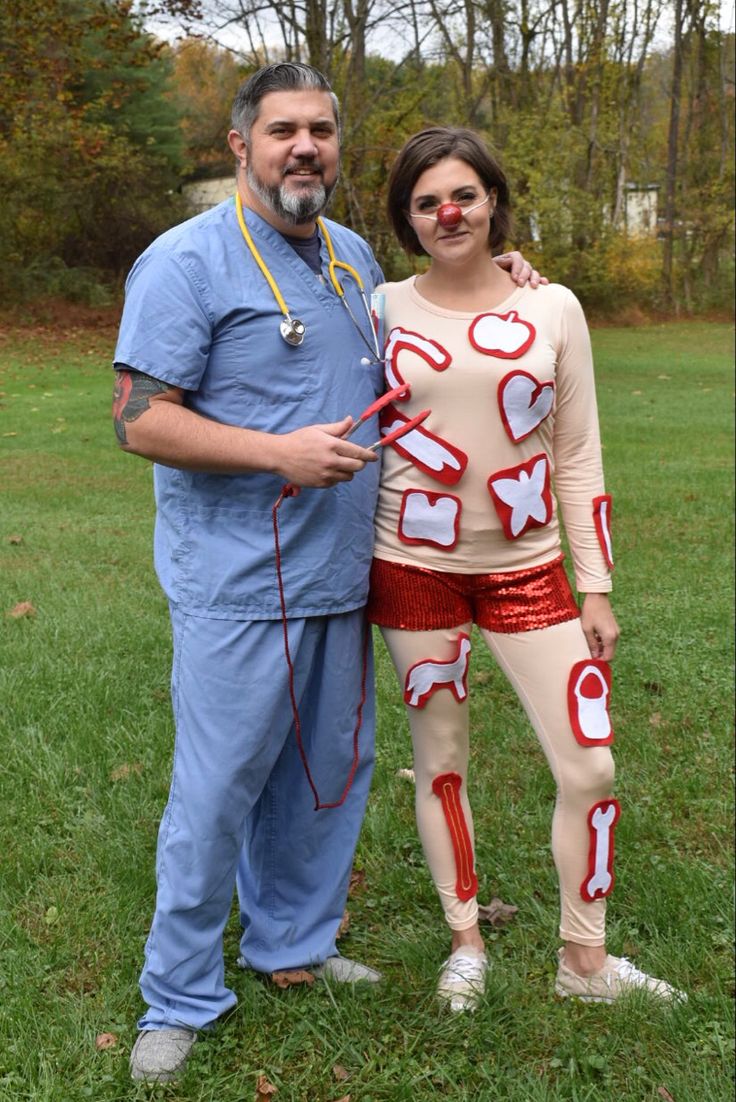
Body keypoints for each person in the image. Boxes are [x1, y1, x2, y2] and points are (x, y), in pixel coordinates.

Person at [112, 66, 541, 1083]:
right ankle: (176, 995)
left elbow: (437, 323)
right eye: (280, 131)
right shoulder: (187, 261)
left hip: (350, 574)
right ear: (239, 145)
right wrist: (276, 453)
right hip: (237, 580)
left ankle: (292, 945)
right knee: (217, 790)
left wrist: (500, 271)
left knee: (326, 780)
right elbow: (138, 419)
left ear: (336, 147)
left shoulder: (350, 258)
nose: (302, 148)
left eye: (319, 131)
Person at [365, 126, 687, 1012]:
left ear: (495, 201)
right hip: (411, 566)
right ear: (407, 218)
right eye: (427, 201)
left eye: (464, 194)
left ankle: (584, 963)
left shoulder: (552, 308)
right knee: (441, 762)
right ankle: (465, 942)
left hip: (529, 567)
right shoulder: (379, 307)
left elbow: (578, 453)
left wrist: (599, 585)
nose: (449, 212)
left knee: (590, 770)